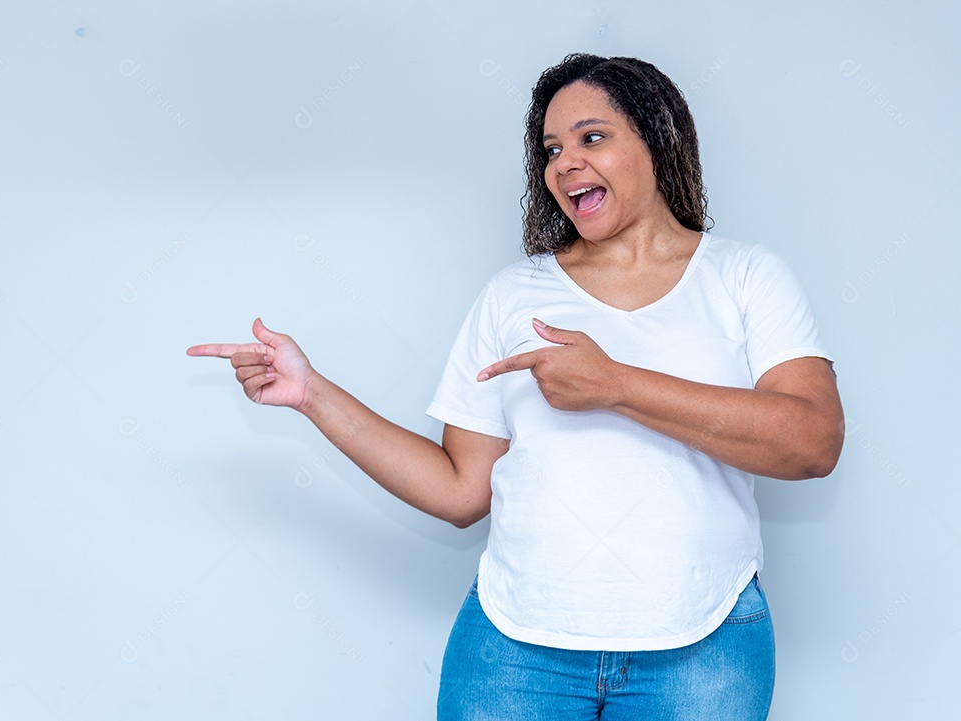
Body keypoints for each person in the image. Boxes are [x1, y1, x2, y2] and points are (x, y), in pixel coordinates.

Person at [188, 53, 844, 720]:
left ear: (660, 138)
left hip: (702, 650)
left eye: (592, 137)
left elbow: (814, 441)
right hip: (513, 655)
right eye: (552, 148)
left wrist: (616, 384)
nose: (564, 163)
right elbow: (459, 490)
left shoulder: (745, 278)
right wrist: (311, 394)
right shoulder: (514, 295)